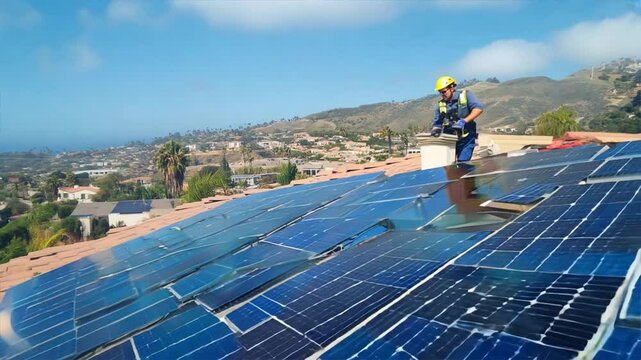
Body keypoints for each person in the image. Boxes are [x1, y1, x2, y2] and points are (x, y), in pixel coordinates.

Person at [431, 76, 484, 162]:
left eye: (444, 91)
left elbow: (478, 109)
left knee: (462, 164)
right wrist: (436, 128)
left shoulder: (466, 95)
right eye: (440, 92)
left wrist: (464, 121)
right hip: (449, 141)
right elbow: (437, 122)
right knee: (447, 166)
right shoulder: (440, 105)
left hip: (466, 140)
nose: (442, 94)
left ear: (451, 88)